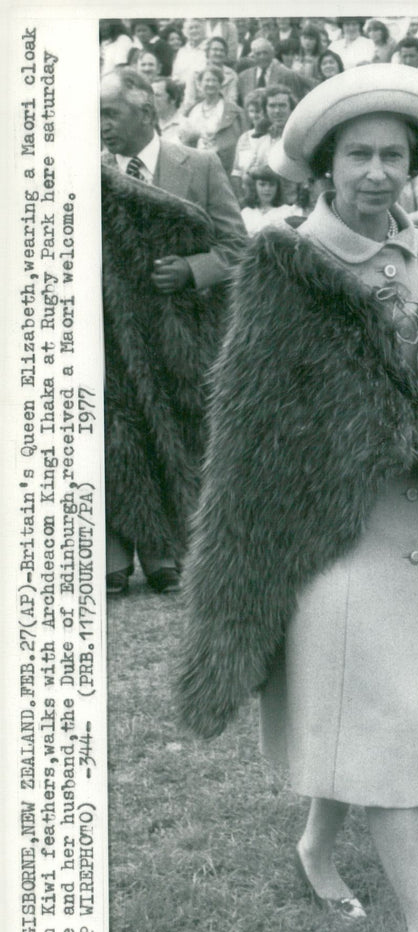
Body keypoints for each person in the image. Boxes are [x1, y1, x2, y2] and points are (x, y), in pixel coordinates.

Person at [176, 62, 418, 932]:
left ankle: (314, 846)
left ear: (415, 164)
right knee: (394, 729)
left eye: (393, 155)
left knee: (374, 713)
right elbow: (252, 418)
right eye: (358, 156)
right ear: (324, 169)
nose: (377, 173)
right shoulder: (286, 265)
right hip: (330, 536)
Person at [99, 69, 247, 595]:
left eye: (110, 114)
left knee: (179, 437)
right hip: (113, 337)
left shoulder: (200, 165)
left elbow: (238, 247)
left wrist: (192, 269)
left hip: (181, 338)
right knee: (119, 438)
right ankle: (114, 558)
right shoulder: (85, 173)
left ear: (146, 112)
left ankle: (169, 555)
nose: (101, 126)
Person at [182, 66, 246, 175]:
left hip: (222, 165)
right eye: (207, 80)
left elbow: (242, 141)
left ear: (221, 84)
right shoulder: (192, 110)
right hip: (196, 165)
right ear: (199, 84)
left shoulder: (234, 111)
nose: (210, 84)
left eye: (214, 80)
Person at [237, 37, 310, 106]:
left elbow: (295, 102)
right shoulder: (243, 77)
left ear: (272, 54)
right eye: (258, 54)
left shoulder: (287, 75)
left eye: (265, 53)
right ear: (253, 56)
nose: (262, 57)